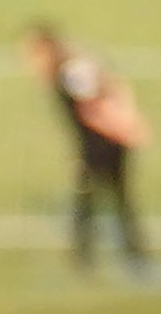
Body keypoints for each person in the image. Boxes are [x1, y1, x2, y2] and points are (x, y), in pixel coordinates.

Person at [28, 25, 144, 273]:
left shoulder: (71, 72)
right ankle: (108, 255)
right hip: (98, 143)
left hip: (103, 145)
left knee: (101, 199)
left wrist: (124, 127)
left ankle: (96, 256)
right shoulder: (68, 69)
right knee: (100, 199)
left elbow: (96, 105)